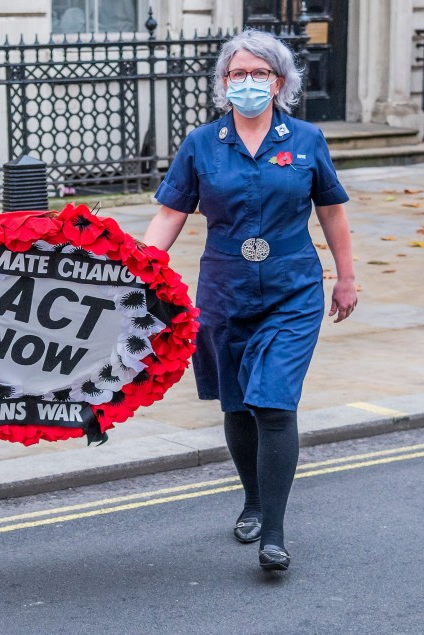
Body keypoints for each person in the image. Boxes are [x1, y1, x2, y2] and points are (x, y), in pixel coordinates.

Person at [143, 30, 356, 572]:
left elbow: (331, 210)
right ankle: (253, 502)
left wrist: (347, 278)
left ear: (279, 82)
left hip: (292, 289)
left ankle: (275, 535)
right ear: (223, 83)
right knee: (237, 402)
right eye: (237, 74)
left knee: (274, 401)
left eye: (258, 74)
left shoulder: (306, 139)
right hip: (224, 289)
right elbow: (170, 213)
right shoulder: (203, 143)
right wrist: (138, 271)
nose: (247, 83)